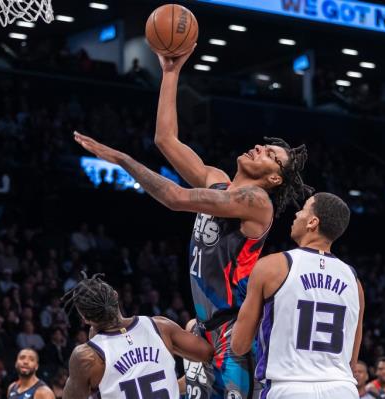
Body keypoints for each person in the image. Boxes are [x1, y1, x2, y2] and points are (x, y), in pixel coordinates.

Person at [74, 47, 311, 398]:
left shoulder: (256, 203)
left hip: (235, 334)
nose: (260, 147)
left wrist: (122, 159)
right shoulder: (216, 180)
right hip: (206, 329)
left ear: (274, 179)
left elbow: (173, 197)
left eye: (271, 155)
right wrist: (170, 73)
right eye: (264, 146)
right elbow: (165, 140)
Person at [231, 193, 365, 399]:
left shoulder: (271, 266)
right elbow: (351, 362)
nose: (296, 214)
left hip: (290, 387)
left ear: (313, 222)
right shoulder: (354, 281)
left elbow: (239, 345)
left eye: (303, 209)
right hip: (342, 388)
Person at [61, 274, 214, 398]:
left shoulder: (86, 357)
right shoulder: (160, 327)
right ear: (115, 295)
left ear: (84, 319)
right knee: (192, 324)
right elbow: (208, 353)